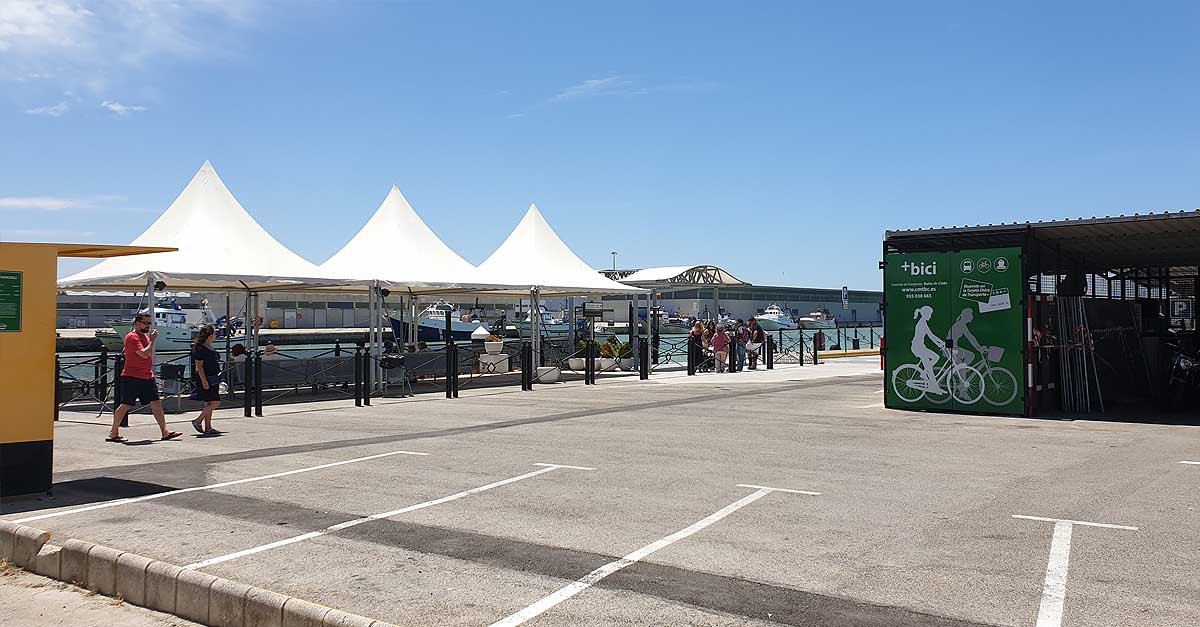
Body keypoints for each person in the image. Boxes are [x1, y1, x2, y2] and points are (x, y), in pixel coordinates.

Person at [108, 314, 182, 442]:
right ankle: (113, 432)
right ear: (137, 323)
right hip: (132, 376)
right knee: (126, 404)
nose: (147, 325)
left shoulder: (144, 337)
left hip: (147, 375)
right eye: (145, 323)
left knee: (156, 403)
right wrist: (153, 340)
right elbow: (143, 354)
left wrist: (150, 340)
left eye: (149, 323)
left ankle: (165, 432)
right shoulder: (132, 337)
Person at [189, 325, 223, 435]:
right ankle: (198, 420)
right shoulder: (200, 349)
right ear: (209, 335)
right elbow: (199, 366)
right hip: (206, 378)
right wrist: (204, 380)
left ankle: (208, 427)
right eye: (214, 334)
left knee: (209, 402)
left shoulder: (210, 347)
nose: (215, 335)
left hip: (214, 377)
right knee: (215, 402)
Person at [912, 305, 946, 394]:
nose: (931, 316)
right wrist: (941, 344)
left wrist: (942, 343)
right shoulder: (922, 323)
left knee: (936, 357)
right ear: (926, 314)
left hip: (921, 347)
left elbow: (932, 336)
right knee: (929, 369)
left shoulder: (923, 322)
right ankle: (936, 389)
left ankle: (923, 373)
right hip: (918, 347)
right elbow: (931, 336)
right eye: (930, 314)